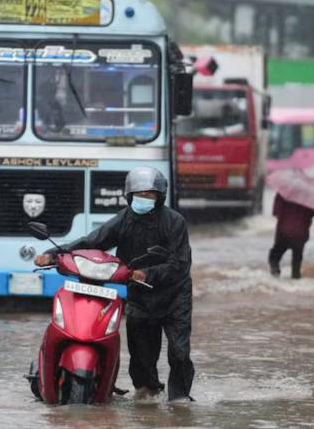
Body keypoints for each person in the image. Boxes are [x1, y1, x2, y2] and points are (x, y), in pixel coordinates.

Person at [34, 167, 195, 402]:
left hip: (174, 295)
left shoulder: (175, 222)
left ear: (160, 197)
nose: (144, 199)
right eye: (139, 195)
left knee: (179, 353)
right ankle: (148, 393)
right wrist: (53, 253)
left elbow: (180, 264)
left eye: (150, 195)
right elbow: (93, 240)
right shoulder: (124, 219)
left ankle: (180, 399)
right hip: (140, 296)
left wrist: (147, 274)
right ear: (129, 196)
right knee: (140, 356)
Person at [268, 193, 314, 279]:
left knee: (274, 257)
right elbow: (313, 213)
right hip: (300, 233)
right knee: (296, 263)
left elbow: (276, 213)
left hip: (284, 231)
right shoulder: (309, 195)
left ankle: (275, 272)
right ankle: (296, 281)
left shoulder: (282, 193)